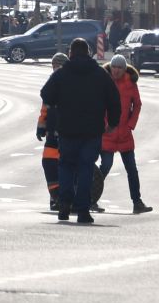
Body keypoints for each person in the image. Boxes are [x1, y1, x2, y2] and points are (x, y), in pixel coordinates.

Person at [41, 38, 120, 225]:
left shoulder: (62, 74)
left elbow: (46, 95)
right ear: (88, 53)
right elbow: (114, 100)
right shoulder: (100, 74)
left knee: (66, 166)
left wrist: (58, 108)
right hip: (92, 131)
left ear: (70, 53)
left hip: (67, 129)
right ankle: (83, 210)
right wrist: (113, 123)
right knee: (85, 169)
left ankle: (64, 205)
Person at [97, 54, 151, 215]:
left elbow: (137, 105)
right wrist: (104, 124)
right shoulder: (104, 81)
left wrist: (130, 124)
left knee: (132, 170)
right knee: (105, 167)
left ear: (124, 69)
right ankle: (90, 198)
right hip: (107, 133)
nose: (116, 70)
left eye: (120, 67)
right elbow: (98, 104)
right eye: (114, 67)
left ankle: (137, 202)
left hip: (125, 134)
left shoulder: (130, 82)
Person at [38, 52, 66, 211]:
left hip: (65, 131)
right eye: (54, 66)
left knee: (62, 166)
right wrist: (41, 127)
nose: (55, 68)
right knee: (50, 164)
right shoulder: (51, 82)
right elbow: (45, 108)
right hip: (51, 131)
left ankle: (62, 197)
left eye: (58, 66)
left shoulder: (67, 81)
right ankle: (54, 198)